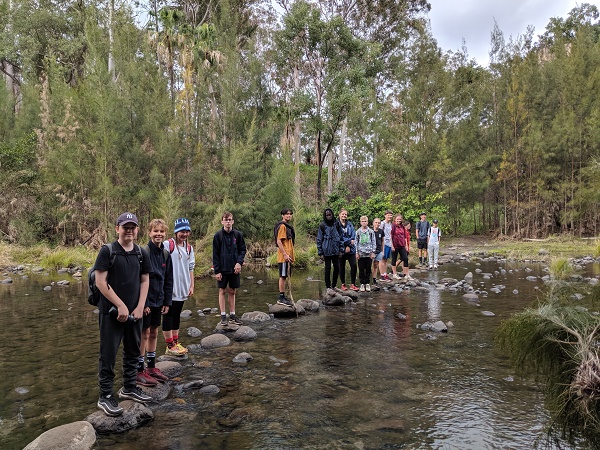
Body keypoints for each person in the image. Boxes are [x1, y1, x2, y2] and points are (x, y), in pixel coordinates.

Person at [95, 212, 153, 417]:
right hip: (111, 313)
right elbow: (100, 282)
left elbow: (145, 280)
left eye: (132, 227)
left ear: (137, 230)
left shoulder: (141, 252)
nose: (129, 230)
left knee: (133, 350)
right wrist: (120, 305)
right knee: (108, 354)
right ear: (117, 228)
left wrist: (140, 306)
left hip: (134, 312)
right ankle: (105, 396)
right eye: (125, 227)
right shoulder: (107, 251)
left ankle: (129, 386)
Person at [136, 219, 173, 387]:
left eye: (161, 231)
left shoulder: (165, 254)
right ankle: (139, 370)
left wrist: (167, 301)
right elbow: (139, 280)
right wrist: (143, 304)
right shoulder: (144, 253)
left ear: (165, 234)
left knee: (154, 333)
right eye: (155, 231)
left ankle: (151, 367)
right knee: (143, 334)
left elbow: (168, 279)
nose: (158, 234)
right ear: (149, 233)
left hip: (159, 301)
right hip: (146, 302)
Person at [163, 218, 195, 356]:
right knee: (168, 316)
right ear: (176, 232)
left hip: (183, 287)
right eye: (182, 231)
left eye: (187, 231)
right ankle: (169, 345)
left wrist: (191, 285)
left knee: (176, 315)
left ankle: (175, 342)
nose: (185, 234)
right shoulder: (167, 245)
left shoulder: (189, 248)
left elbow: (191, 268)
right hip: (170, 287)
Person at [212, 211, 247, 326]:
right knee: (222, 291)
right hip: (222, 268)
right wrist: (217, 271)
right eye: (226, 220)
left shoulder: (238, 235)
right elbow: (215, 254)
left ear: (233, 221)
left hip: (234, 268)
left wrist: (239, 263)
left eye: (230, 219)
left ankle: (232, 315)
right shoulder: (218, 236)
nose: (228, 222)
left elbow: (242, 250)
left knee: (232, 291)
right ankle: (223, 316)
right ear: (222, 221)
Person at [316, 208, 344, 289]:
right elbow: (319, 239)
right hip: (326, 251)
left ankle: (334, 285)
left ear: (332, 214)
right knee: (327, 269)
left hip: (336, 250)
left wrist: (341, 250)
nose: (329, 216)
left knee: (337, 268)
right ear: (325, 216)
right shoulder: (322, 225)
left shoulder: (337, 224)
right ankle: (328, 286)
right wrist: (320, 253)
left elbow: (341, 237)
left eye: (330, 214)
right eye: (327, 215)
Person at [275, 208, 295, 306]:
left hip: (288, 256)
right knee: (282, 276)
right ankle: (281, 297)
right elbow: (279, 241)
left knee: (285, 275)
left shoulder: (287, 227)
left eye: (290, 214)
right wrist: (285, 254)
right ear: (282, 215)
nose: (289, 215)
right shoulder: (282, 226)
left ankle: (284, 296)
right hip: (284, 257)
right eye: (286, 214)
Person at [337, 208, 359, 291]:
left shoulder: (350, 224)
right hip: (341, 249)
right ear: (339, 214)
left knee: (353, 265)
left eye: (345, 214)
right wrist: (347, 243)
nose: (344, 215)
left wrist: (349, 245)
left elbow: (353, 236)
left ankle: (353, 284)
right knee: (341, 267)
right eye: (343, 214)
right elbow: (338, 237)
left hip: (351, 249)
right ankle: (343, 284)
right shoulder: (336, 224)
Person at [355, 216, 376, 292]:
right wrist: (356, 253)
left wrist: (373, 252)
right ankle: (362, 283)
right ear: (360, 222)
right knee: (361, 269)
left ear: (367, 222)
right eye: (363, 221)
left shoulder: (371, 232)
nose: (364, 223)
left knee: (368, 268)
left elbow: (374, 242)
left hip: (369, 253)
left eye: (365, 221)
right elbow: (356, 243)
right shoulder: (358, 232)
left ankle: (367, 283)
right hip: (361, 254)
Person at [391, 214, 412, 281]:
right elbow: (390, 236)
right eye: (397, 219)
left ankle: (407, 274)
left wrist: (406, 246)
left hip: (402, 245)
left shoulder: (402, 226)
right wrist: (392, 245)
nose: (399, 220)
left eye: (400, 219)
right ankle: (394, 274)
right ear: (395, 219)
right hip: (395, 245)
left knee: (405, 258)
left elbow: (405, 236)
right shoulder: (393, 226)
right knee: (394, 259)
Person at [378, 210, 394, 281]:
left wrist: (392, 244)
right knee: (381, 259)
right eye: (388, 215)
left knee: (386, 259)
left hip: (389, 243)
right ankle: (381, 275)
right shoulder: (382, 223)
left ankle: (385, 274)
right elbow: (379, 233)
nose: (390, 216)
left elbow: (390, 235)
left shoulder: (390, 224)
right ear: (385, 215)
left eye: (391, 215)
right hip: (383, 243)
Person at [371, 217, 384, 289]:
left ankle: (374, 279)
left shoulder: (381, 231)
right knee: (369, 265)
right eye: (376, 222)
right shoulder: (370, 231)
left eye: (379, 223)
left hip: (379, 250)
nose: (377, 224)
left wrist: (383, 251)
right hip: (371, 251)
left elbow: (382, 241)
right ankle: (367, 280)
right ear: (373, 223)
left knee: (376, 265)